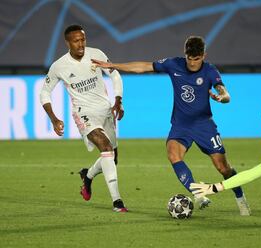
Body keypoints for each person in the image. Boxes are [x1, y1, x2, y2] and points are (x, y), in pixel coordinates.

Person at [92, 36, 250, 215]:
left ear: (203, 55)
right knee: (173, 154)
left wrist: (223, 97)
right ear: (185, 54)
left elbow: (224, 92)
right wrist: (114, 65)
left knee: (223, 168)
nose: (192, 63)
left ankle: (240, 198)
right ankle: (198, 194)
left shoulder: (209, 70)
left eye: (196, 59)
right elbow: (144, 66)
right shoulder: (174, 64)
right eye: (190, 58)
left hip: (204, 125)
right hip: (181, 125)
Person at [40, 24, 128, 212]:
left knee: (113, 158)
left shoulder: (96, 54)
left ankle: (87, 176)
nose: (81, 44)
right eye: (76, 41)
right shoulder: (59, 66)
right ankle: (117, 201)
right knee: (105, 148)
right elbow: (45, 92)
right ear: (68, 42)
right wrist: (54, 118)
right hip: (83, 112)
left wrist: (118, 100)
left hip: (105, 110)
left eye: (83, 40)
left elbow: (115, 75)